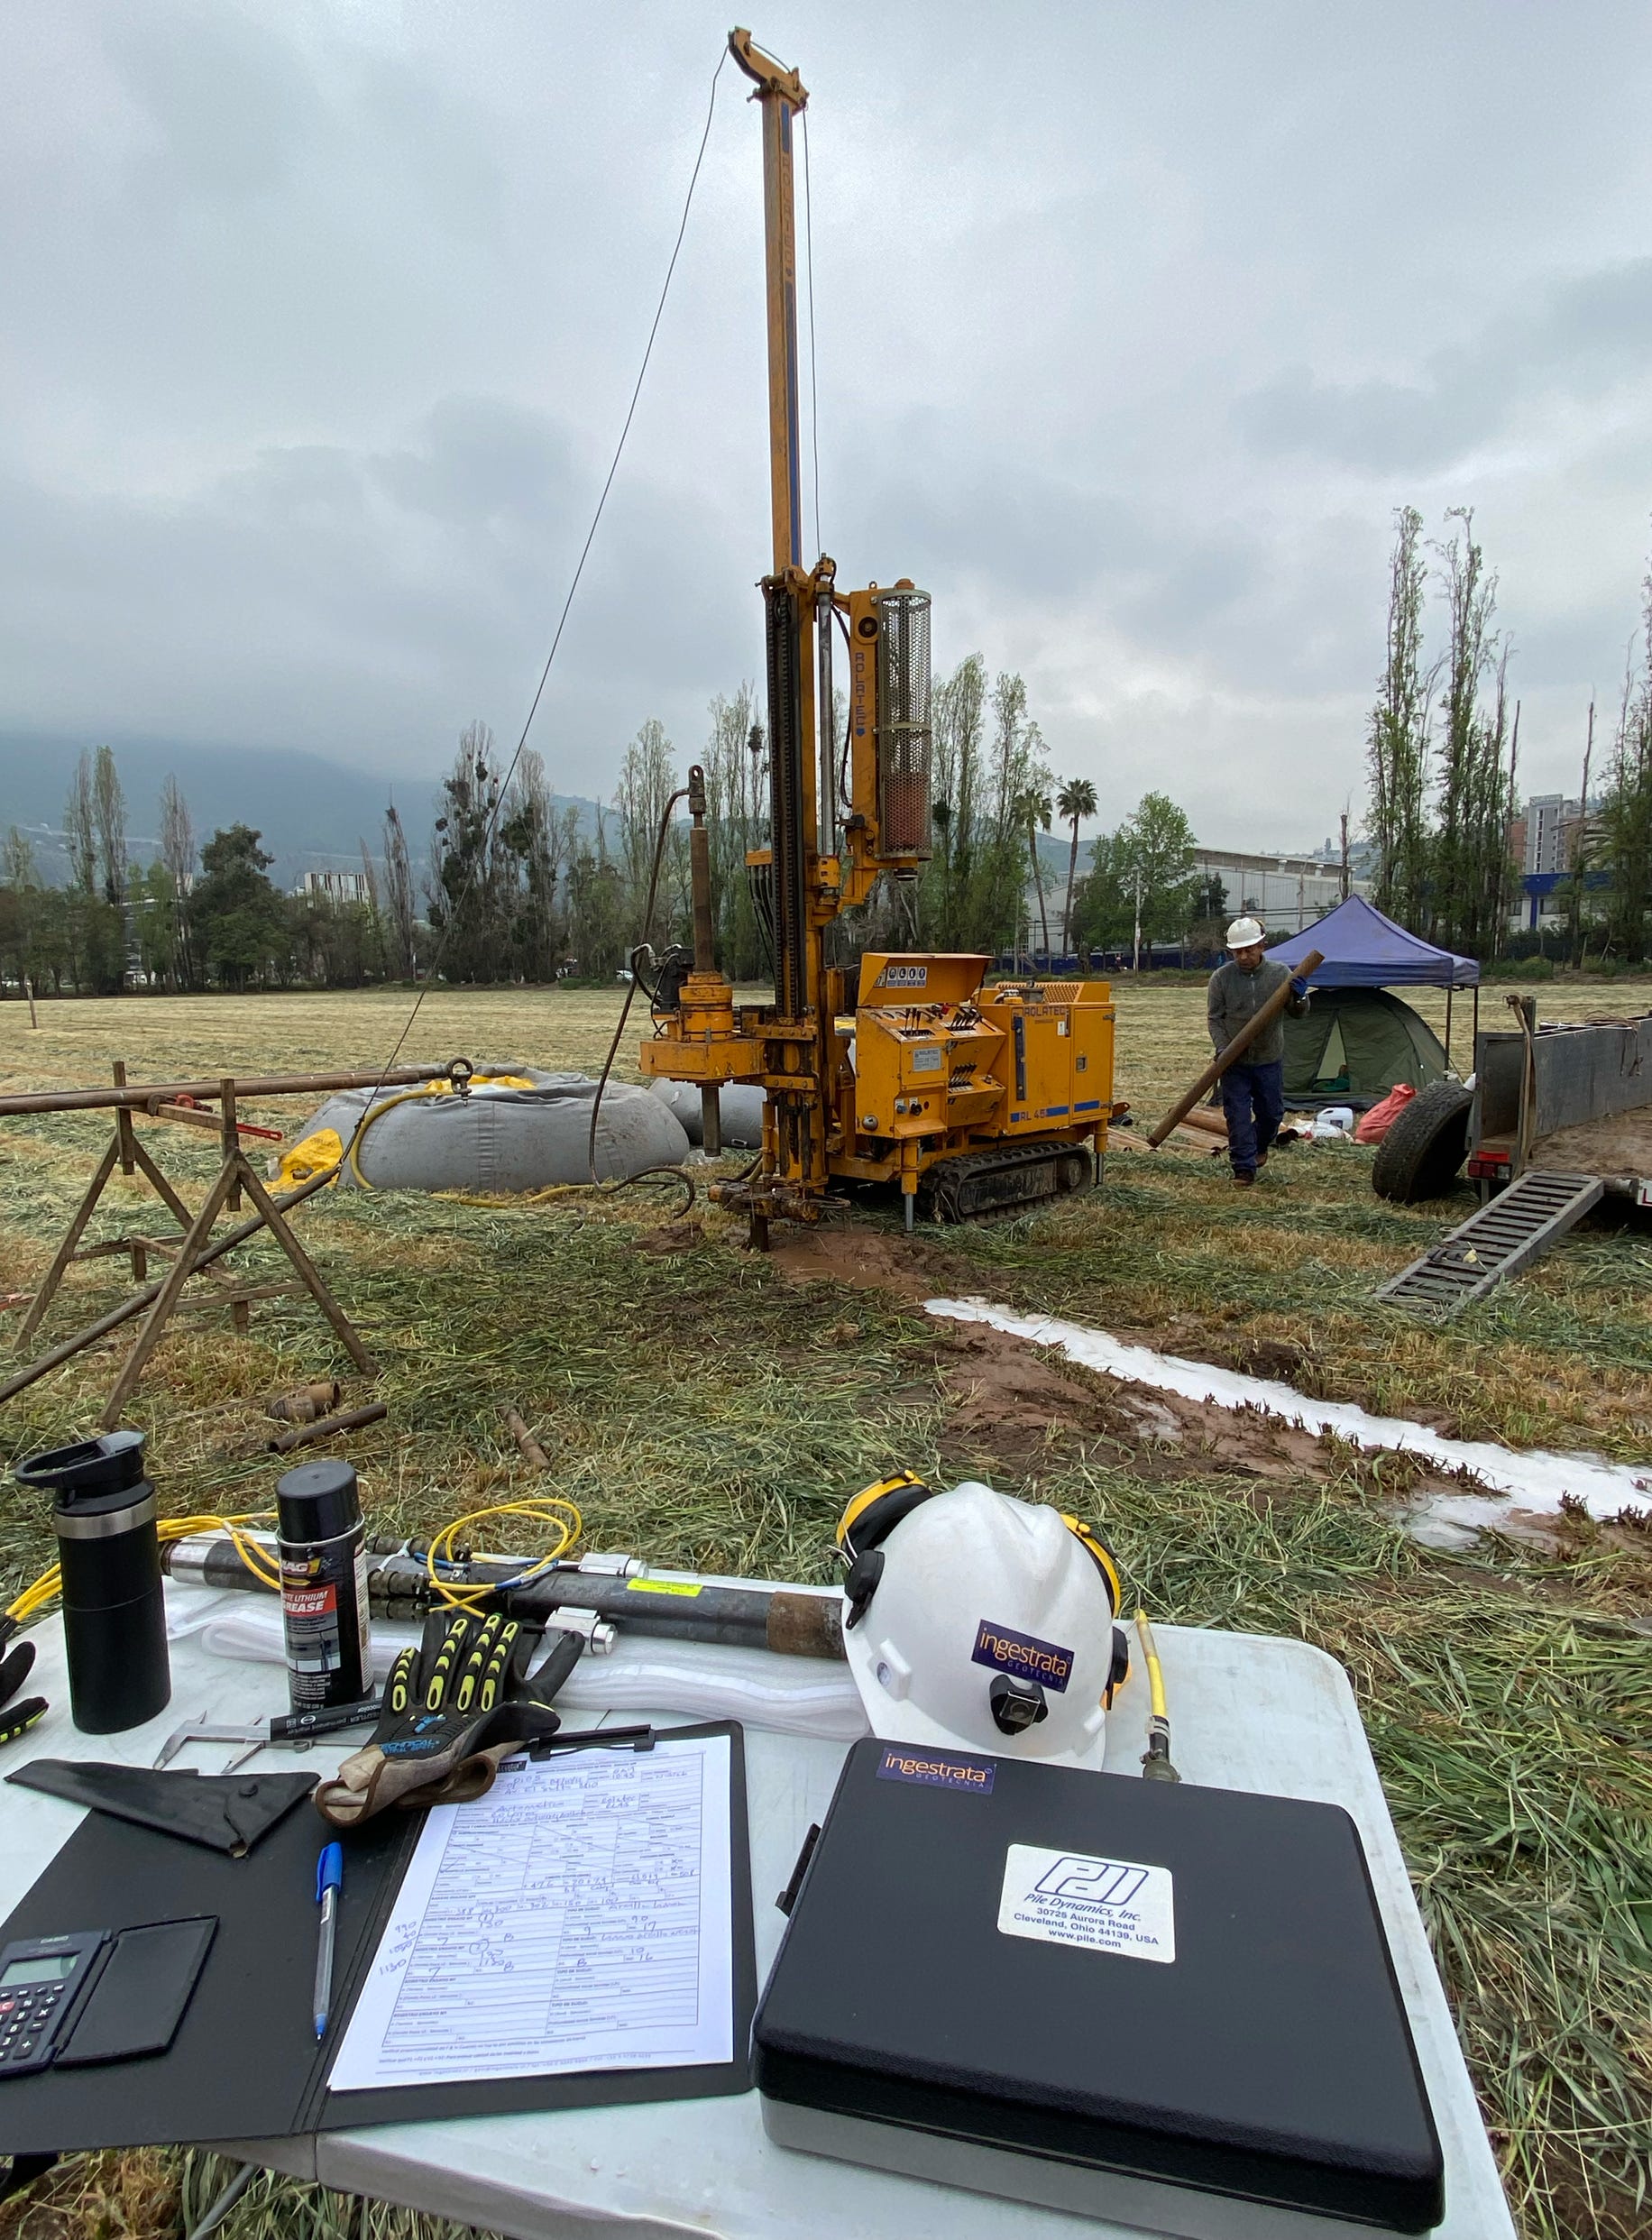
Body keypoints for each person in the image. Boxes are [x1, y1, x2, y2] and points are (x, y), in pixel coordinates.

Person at [1207, 917, 1309, 1188]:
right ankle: (1243, 1169)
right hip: (1234, 1062)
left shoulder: (1280, 974)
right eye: (1237, 951)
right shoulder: (1221, 979)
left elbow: (1299, 1014)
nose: (1243, 956)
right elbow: (1215, 1018)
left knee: (1272, 1114)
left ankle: (1259, 1145)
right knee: (1237, 1115)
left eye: (1249, 949)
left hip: (1268, 1058)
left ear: (1262, 945)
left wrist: (1300, 997)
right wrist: (1223, 1048)